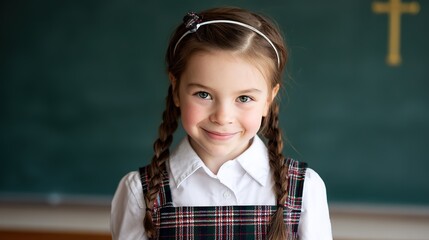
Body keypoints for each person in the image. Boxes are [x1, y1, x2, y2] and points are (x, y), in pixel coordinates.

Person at [111, 7, 332, 240]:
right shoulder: (139, 192)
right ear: (176, 89)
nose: (222, 116)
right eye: (203, 94)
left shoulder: (305, 188)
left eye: (244, 98)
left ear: (268, 99)